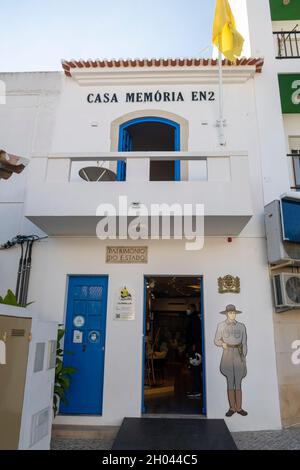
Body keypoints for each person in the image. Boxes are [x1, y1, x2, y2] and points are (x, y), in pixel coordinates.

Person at [214, 304, 248, 417]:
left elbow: (244, 342)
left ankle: (239, 407)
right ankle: (232, 408)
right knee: (229, 380)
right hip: (227, 352)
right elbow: (216, 340)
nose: (232, 315)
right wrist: (222, 343)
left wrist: (244, 356)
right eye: (230, 313)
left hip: (238, 353)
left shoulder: (241, 326)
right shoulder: (221, 325)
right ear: (227, 314)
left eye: (234, 313)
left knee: (238, 381)